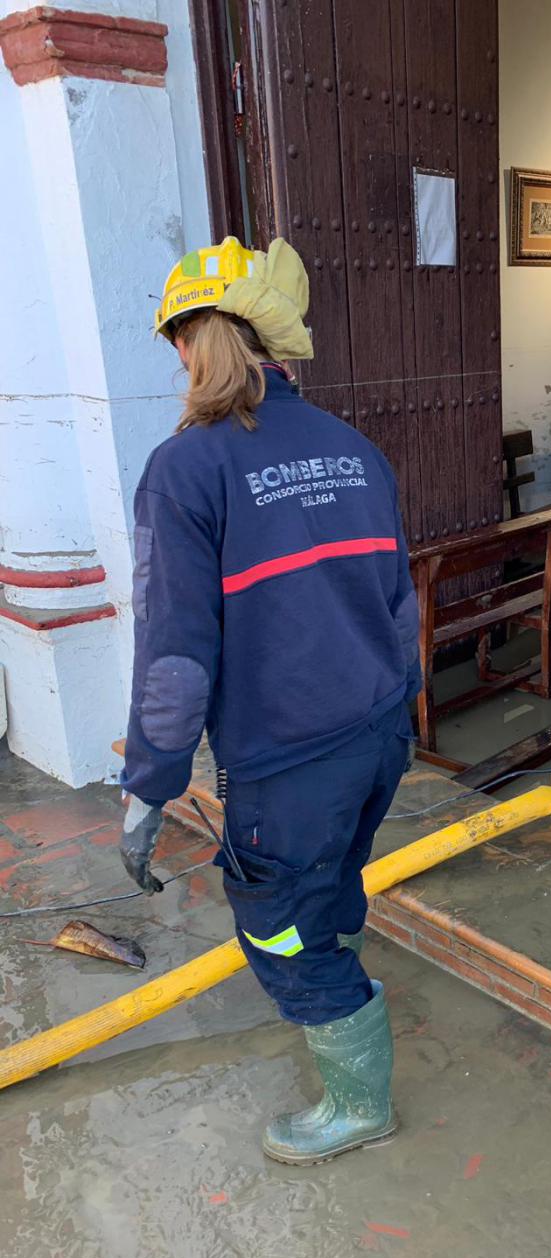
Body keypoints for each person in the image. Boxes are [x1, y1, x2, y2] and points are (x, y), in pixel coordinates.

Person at [119, 235, 420, 1166]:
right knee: (327, 885)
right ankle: (343, 975)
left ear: (185, 345)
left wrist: (148, 786)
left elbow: (174, 658)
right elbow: (400, 604)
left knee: (278, 931)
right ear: (273, 342)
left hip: (289, 766)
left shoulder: (186, 471)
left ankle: (359, 1101)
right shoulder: (353, 450)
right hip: (377, 739)